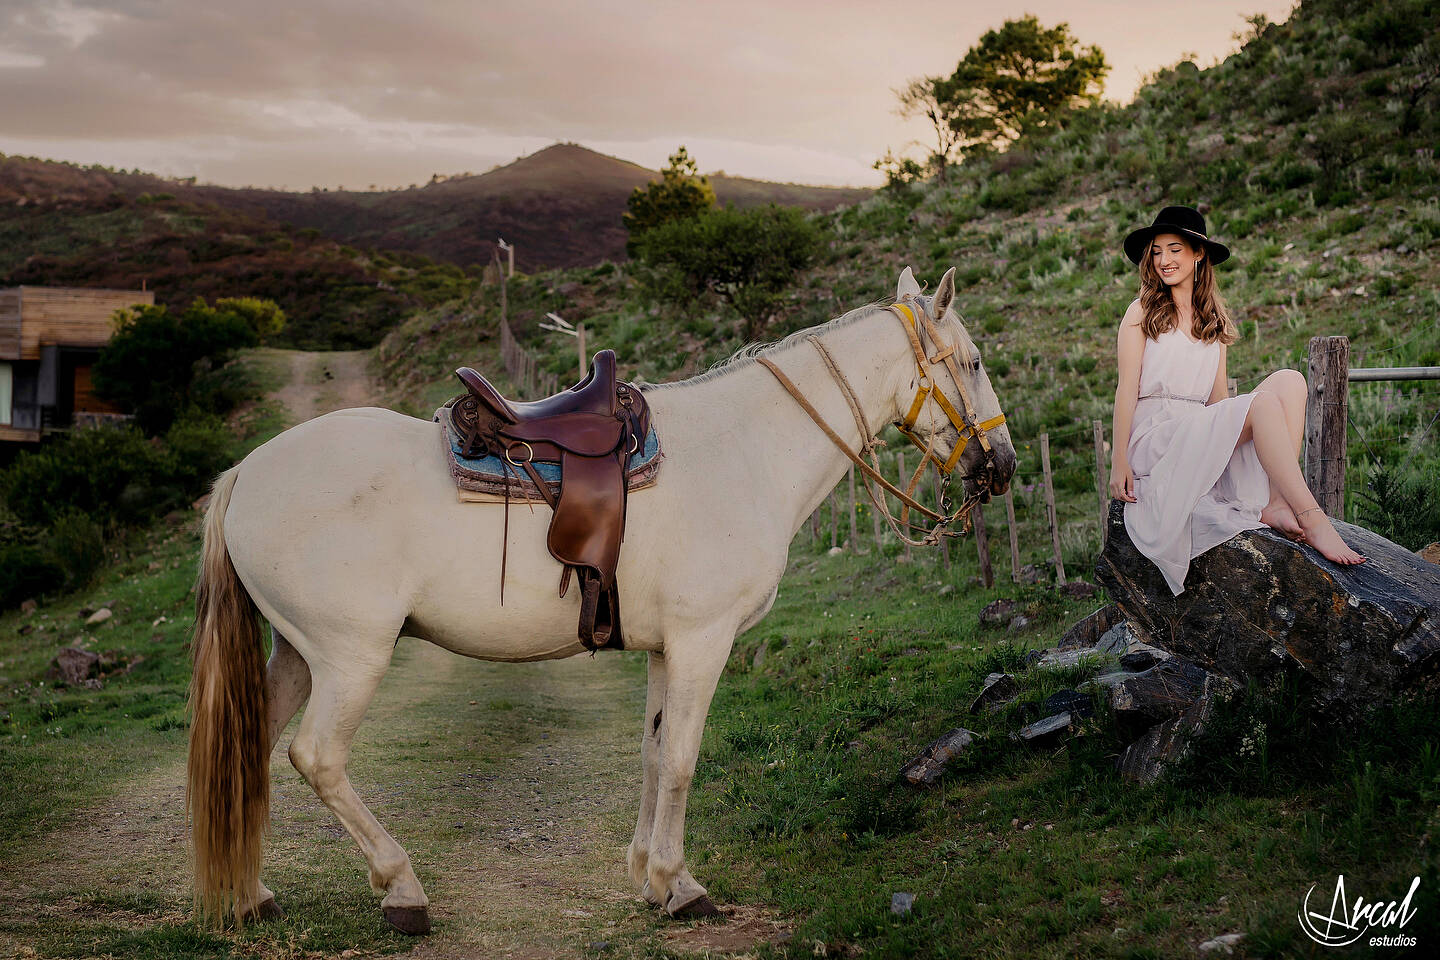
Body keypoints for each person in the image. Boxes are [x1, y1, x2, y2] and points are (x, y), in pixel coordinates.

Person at [1108, 205, 1366, 596]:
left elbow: (1218, 402)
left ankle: (1278, 501)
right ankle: (1312, 517)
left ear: (1199, 255)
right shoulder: (1141, 311)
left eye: (1175, 249)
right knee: (1260, 405)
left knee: (1290, 382)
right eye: (1157, 251)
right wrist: (1118, 459)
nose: (1164, 260)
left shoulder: (1213, 321)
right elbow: (1126, 388)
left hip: (1195, 429)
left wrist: (1223, 457)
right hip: (1155, 436)